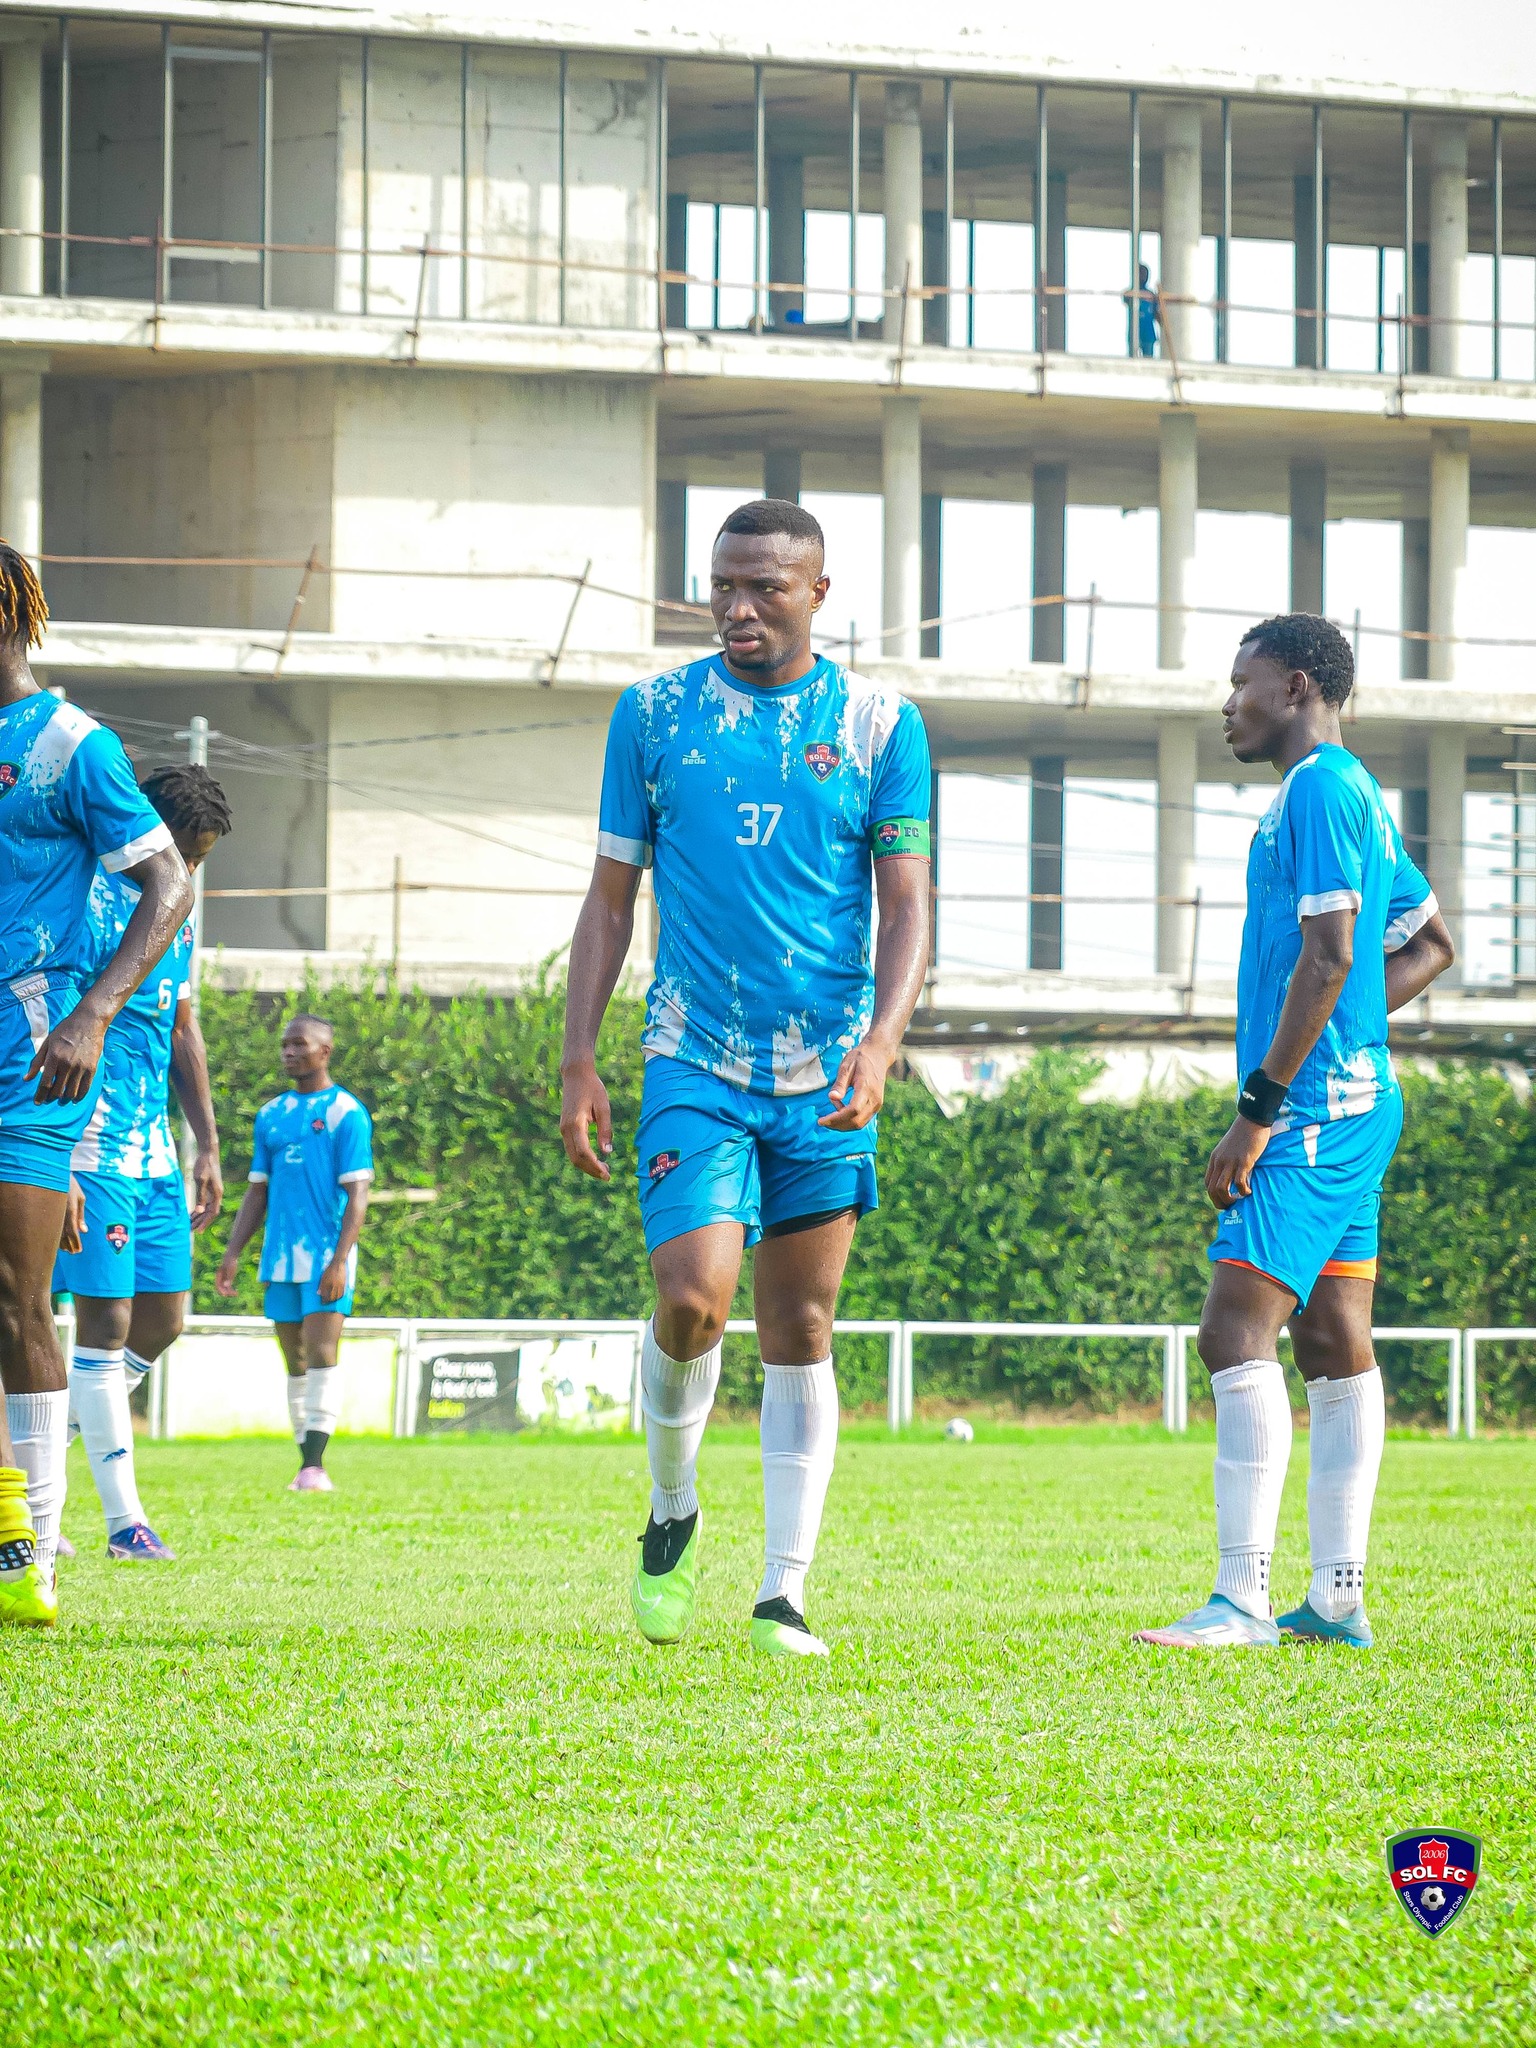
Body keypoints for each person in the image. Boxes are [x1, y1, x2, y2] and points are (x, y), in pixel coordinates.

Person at [560, 498, 932, 1658]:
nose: (737, 607)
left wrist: (882, 1041)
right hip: (693, 1053)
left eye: (765, 587)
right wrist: (578, 1054)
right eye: (722, 584)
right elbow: (610, 899)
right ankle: (672, 1505)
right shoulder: (652, 714)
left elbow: (907, 905)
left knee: (801, 1323)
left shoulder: (880, 723)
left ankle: (783, 1591)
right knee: (692, 1297)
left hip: (826, 1068)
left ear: (818, 592)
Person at [1135, 613, 1455, 1652]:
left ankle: (1239, 1599)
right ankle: (1336, 1599)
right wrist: (1351, 1031)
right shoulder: (1343, 790)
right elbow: (1429, 943)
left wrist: (1258, 1109)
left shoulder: (1320, 787)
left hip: (1315, 1114)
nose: (1228, 702)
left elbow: (1330, 956)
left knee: (1233, 1329)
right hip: (1355, 1100)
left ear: (1299, 686)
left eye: (1244, 682)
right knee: (1329, 1338)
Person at [0, 548, 193, 1625]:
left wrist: (95, 1010)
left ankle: (28, 1550)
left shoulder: (72, 745)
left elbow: (168, 884)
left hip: (28, 1056)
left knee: (17, 1295)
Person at [53, 764, 233, 1560]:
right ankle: (125, 1524)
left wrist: (208, 1145)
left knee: (163, 1319)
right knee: (105, 1324)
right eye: (182, 852)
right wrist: (55, 1154)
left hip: (154, 1151)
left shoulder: (176, 912)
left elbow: (182, 1030)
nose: (187, 869)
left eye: (200, 858)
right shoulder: (84, 904)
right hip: (89, 1145)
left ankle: (48, 1436)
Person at [215, 1015, 373, 1491]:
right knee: (295, 1359)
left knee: (322, 1351)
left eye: (299, 1044)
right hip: (280, 1257)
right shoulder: (271, 1114)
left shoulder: (347, 1112)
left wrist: (340, 1260)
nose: (288, 1052)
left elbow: (358, 1195)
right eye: (284, 1044)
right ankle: (305, 1463)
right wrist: (233, 1252)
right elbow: (257, 1191)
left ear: (325, 1051)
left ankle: (315, 1465)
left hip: (326, 1256)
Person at [1126, 262, 1159, 358]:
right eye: (1141, 274)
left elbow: (1156, 313)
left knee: (1148, 357)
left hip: (1148, 331)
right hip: (1135, 330)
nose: (1144, 277)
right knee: (1132, 357)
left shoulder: (1151, 295)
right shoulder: (1131, 293)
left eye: (1145, 274)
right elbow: (1125, 298)